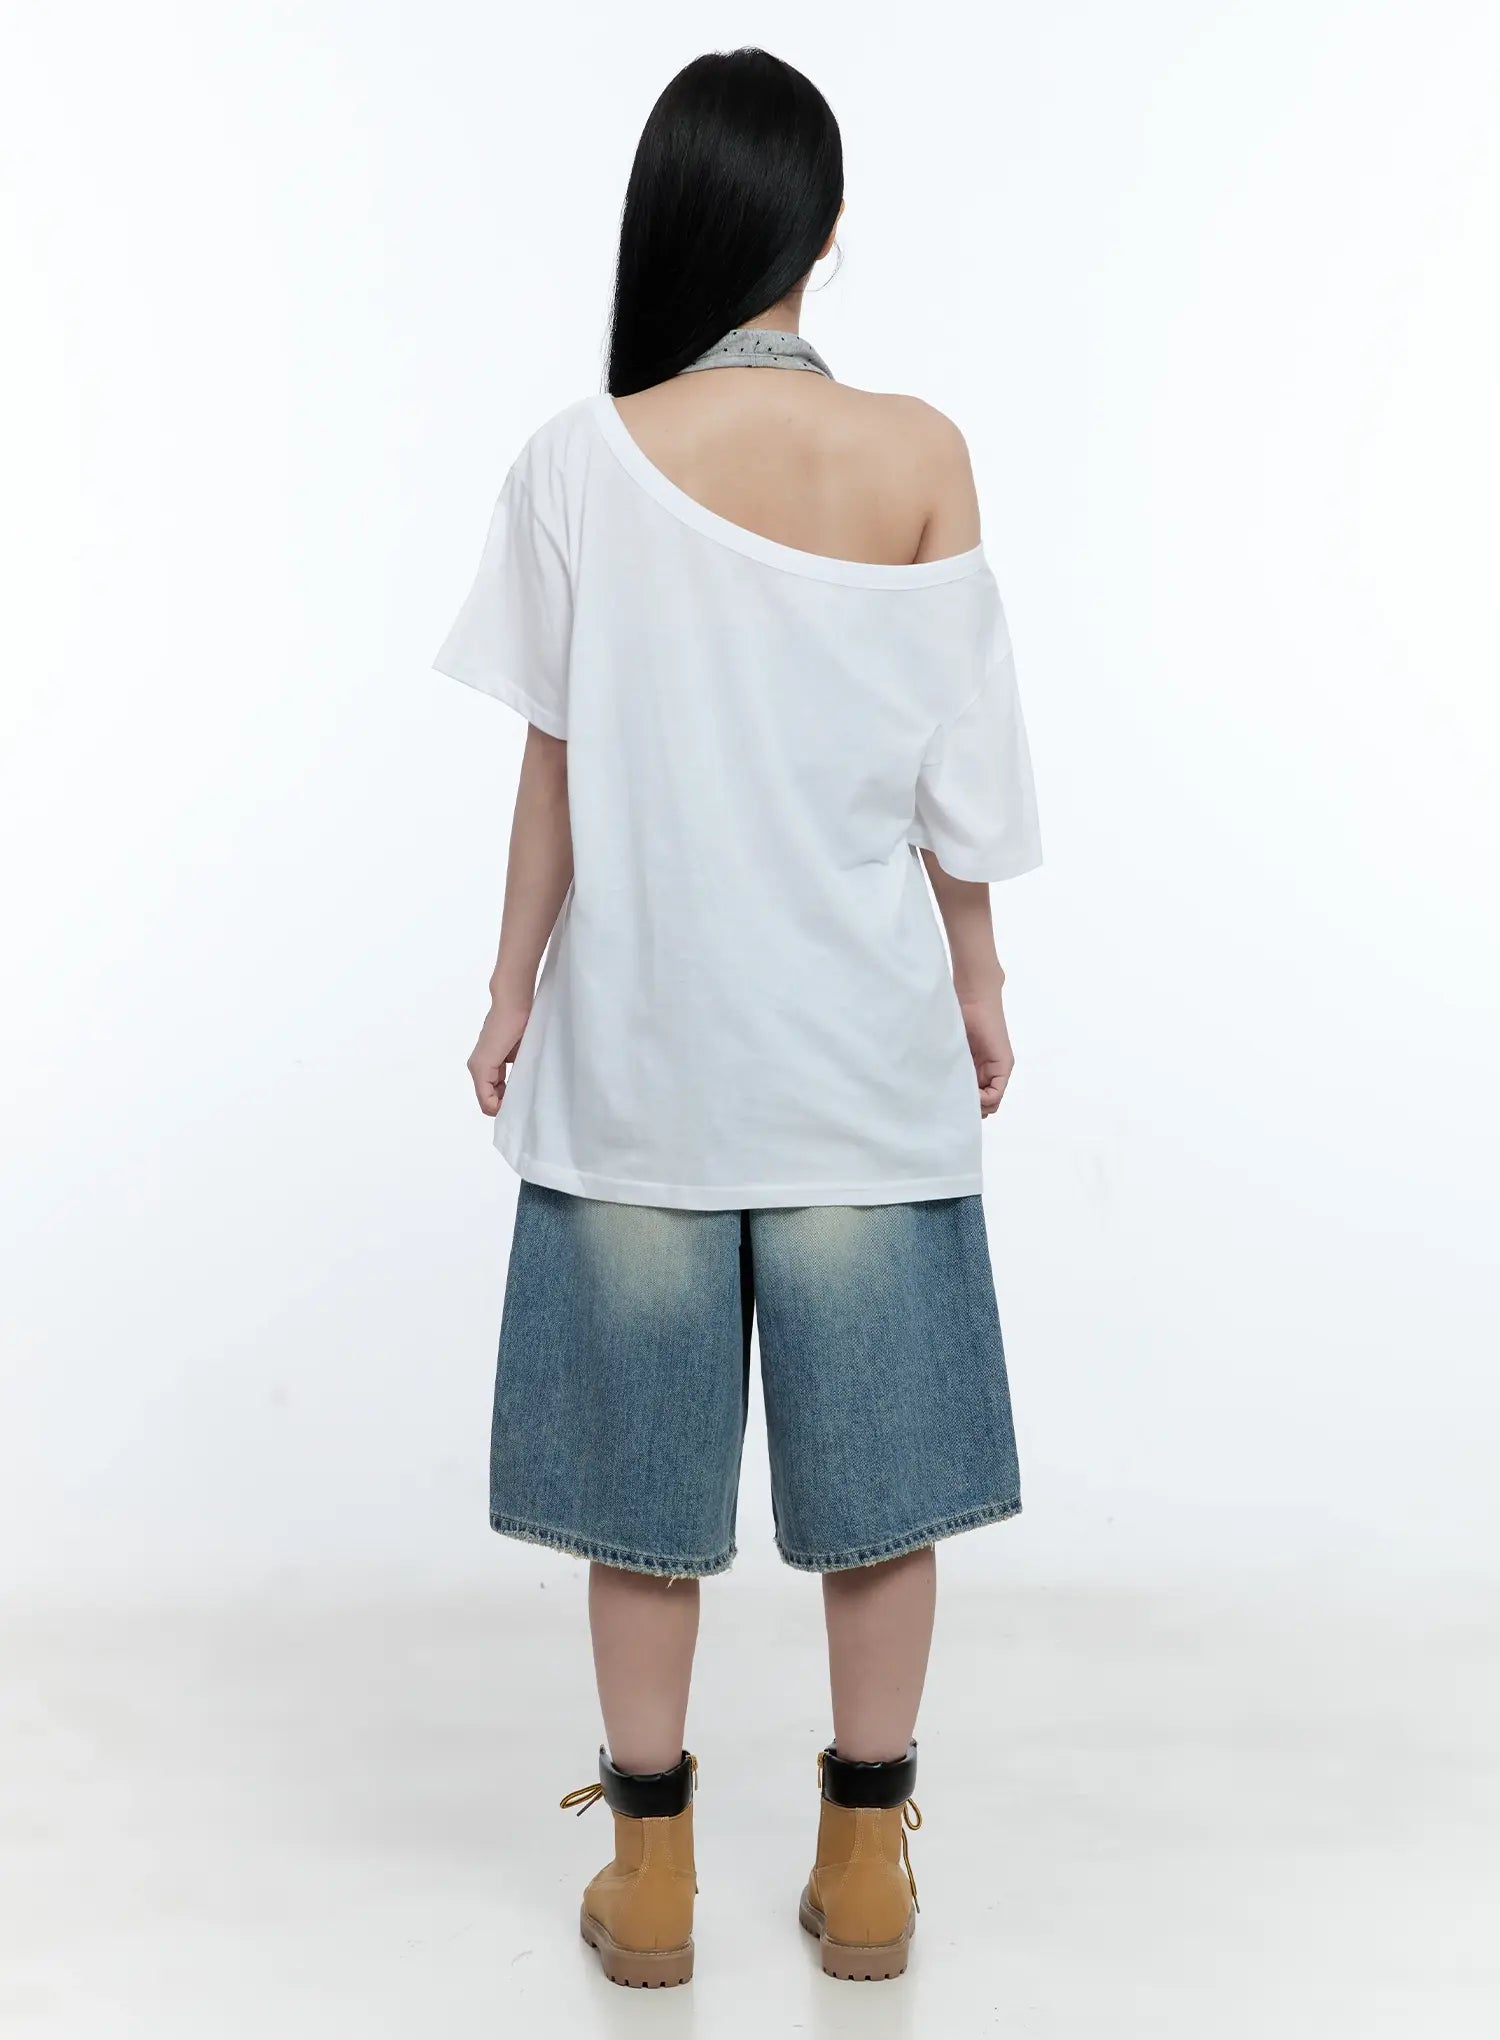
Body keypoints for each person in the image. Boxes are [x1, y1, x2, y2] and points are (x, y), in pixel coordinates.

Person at [433, 47, 1041, 1988]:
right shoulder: (920, 454)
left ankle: (652, 1886)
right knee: (883, 1491)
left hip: (642, 1066)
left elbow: (551, 766)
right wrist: (978, 981)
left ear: (675, 219)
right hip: (859, 1066)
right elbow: (960, 785)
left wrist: (510, 987)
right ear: (824, 230)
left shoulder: (577, 460)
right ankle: (865, 1876)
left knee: (640, 1507)